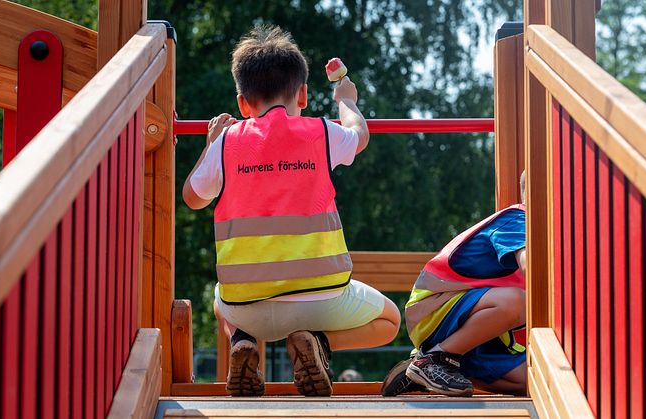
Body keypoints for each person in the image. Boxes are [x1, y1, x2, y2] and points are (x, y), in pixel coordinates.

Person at [182, 25, 400, 397]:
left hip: (245, 305)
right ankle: (318, 343)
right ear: (302, 94)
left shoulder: (227, 143)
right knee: (390, 320)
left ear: (242, 104)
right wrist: (346, 100)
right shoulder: (318, 132)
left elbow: (192, 197)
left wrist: (211, 144)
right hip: (322, 300)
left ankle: (241, 341)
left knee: (221, 298)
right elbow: (359, 136)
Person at [382, 173, 527, 397]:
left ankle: (434, 369)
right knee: (517, 302)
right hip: (434, 308)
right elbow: (530, 266)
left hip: (472, 326)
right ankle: (434, 361)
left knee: (531, 381)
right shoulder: (518, 218)